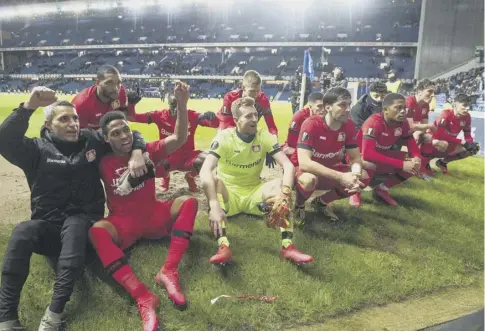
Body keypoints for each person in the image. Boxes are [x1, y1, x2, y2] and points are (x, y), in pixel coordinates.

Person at [0, 87, 147, 331]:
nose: (73, 124)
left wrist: (138, 151)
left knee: (75, 223)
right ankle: (6, 319)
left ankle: (54, 315)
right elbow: (4, 139)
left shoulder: (91, 140)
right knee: (22, 232)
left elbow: (127, 133)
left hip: (86, 230)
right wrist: (27, 107)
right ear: (48, 126)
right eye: (64, 119)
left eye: (75, 118)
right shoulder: (34, 150)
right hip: (50, 230)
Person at [89, 82, 197, 331]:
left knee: (189, 202)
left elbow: (179, 138)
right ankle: (143, 296)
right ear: (106, 138)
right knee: (97, 231)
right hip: (123, 221)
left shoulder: (146, 150)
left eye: (125, 130)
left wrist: (181, 103)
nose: (123, 136)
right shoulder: (101, 160)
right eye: (115, 133)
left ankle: (168, 271)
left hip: (152, 214)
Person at [200, 97, 313, 265]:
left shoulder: (263, 136)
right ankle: (223, 247)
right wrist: (214, 204)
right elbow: (205, 170)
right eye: (248, 116)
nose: (254, 119)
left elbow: (288, 166)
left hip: (254, 193)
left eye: (255, 115)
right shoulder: (224, 138)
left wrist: (285, 193)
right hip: (229, 195)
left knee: (279, 186)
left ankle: (287, 246)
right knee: (216, 182)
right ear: (236, 120)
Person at [292, 87, 374, 224]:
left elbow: (355, 158)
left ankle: (321, 202)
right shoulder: (311, 124)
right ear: (328, 107)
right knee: (308, 180)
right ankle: (299, 205)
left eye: (349, 104)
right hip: (305, 171)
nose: (348, 109)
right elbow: (305, 163)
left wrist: (355, 175)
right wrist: (341, 177)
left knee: (364, 177)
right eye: (342, 105)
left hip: (329, 170)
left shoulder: (348, 125)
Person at [129, 91, 219, 192]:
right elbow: (133, 118)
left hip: (187, 157)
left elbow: (216, 124)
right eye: (173, 105)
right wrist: (131, 105)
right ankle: (165, 178)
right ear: (168, 103)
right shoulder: (160, 115)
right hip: (168, 159)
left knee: (211, 159)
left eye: (180, 105)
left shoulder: (193, 116)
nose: (176, 109)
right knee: (149, 164)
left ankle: (190, 176)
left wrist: (212, 118)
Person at [359, 93, 423, 206]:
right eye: (398, 108)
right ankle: (355, 193)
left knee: (413, 163)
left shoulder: (403, 123)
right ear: (385, 110)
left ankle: (382, 189)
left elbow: (411, 143)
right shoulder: (374, 122)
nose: (403, 111)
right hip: (359, 157)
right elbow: (367, 153)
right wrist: (400, 164)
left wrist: (417, 157)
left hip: (381, 154)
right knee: (369, 166)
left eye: (404, 108)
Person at [421, 94, 480, 174]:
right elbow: (439, 135)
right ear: (455, 105)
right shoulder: (445, 114)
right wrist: (461, 141)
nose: (468, 108)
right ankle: (424, 162)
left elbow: (467, 135)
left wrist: (470, 143)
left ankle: (442, 162)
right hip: (433, 142)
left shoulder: (467, 117)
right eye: (464, 105)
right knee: (442, 143)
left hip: (450, 143)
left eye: (468, 105)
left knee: (473, 148)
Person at [72, 65, 141, 130]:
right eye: (109, 83)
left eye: (118, 82)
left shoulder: (121, 92)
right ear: (98, 82)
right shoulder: (82, 105)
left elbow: (124, 116)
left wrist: (131, 105)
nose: (116, 88)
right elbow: (77, 136)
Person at [216, 70, 278, 136]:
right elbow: (225, 126)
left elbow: (271, 126)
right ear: (243, 88)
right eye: (252, 91)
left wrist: (274, 137)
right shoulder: (230, 98)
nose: (256, 94)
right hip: (228, 126)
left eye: (258, 90)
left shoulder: (263, 100)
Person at [282, 92, 325, 159]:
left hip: (316, 150)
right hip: (298, 148)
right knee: (288, 150)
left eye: (324, 106)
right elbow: (291, 144)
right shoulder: (300, 117)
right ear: (310, 107)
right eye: (319, 106)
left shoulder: (327, 117)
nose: (323, 109)